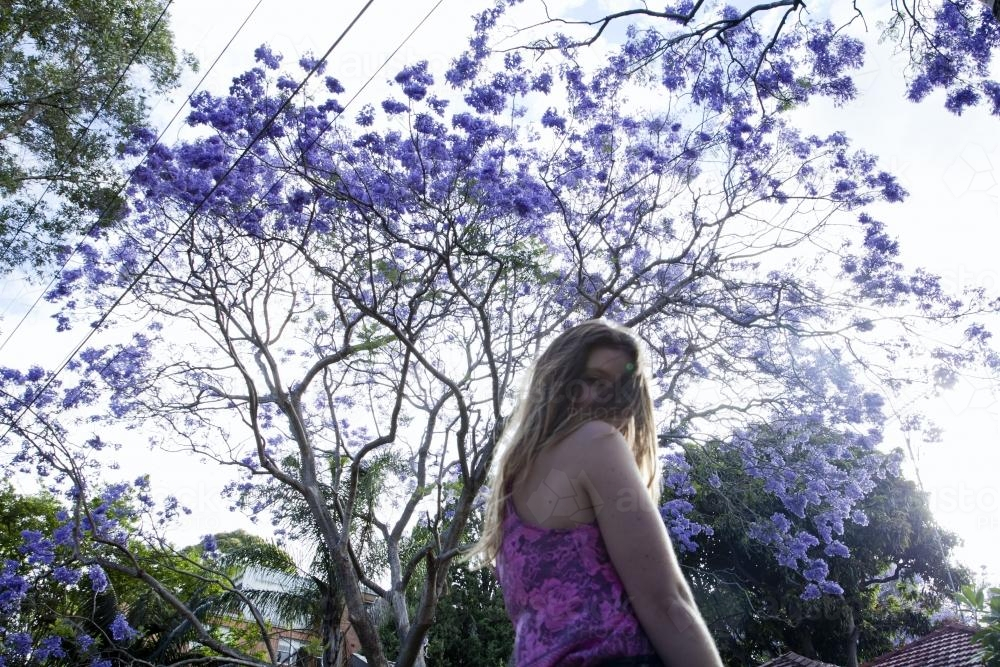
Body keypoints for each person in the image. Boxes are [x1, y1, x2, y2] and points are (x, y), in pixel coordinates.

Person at [468, 319, 724, 666]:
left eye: (624, 389)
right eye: (594, 381)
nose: (610, 400)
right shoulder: (597, 441)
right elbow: (667, 603)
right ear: (558, 381)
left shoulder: (510, 490)